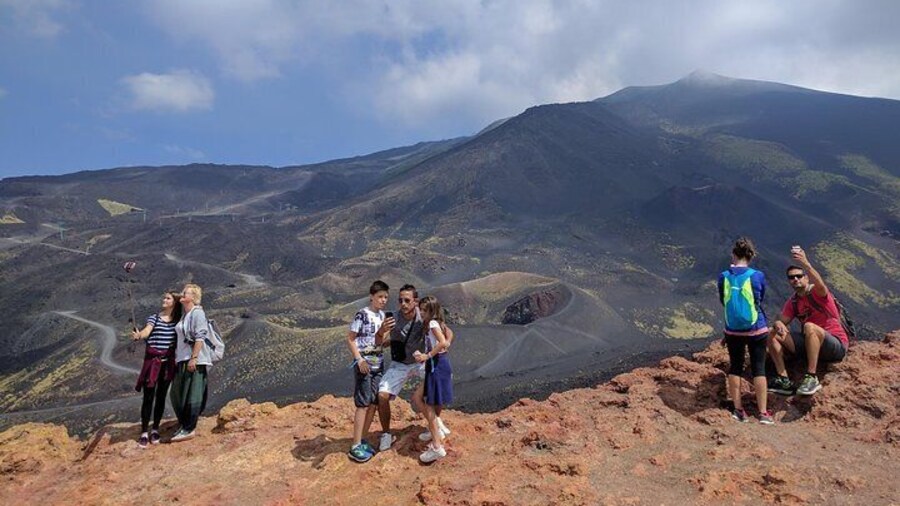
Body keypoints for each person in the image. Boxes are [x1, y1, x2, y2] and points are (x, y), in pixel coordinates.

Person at [376, 284, 454, 451]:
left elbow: (447, 332)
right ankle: (386, 434)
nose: (403, 304)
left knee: (434, 390)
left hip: (420, 362)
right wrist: (382, 332)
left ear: (415, 301)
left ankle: (434, 424)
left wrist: (446, 344)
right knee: (382, 395)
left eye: (407, 300)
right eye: (400, 300)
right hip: (400, 363)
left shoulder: (424, 316)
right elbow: (378, 343)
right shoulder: (393, 318)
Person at [767, 246, 849, 396]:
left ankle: (811, 377)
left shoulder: (818, 293)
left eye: (799, 275)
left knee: (810, 326)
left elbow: (821, 284)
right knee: (770, 333)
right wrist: (778, 324)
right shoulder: (793, 302)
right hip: (809, 344)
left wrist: (806, 264)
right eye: (791, 277)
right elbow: (781, 320)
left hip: (835, 345)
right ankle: (784, 380)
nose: (795, 279)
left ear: (806, 277)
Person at [717, 237, 773, 424]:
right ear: (751, 256)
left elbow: (723, 300)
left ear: (733, 255)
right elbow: (760, 298)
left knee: (735, 367)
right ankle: (763, 413)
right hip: (756, 328)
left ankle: (738, 410)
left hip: (732, 330)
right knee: (759, 369)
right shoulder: (757, 276)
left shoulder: (724, 276)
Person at [346, 280, 393, 463]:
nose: (383, 300)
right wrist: (359, 359)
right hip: (364, 363)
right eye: (380, 296)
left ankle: (363, 439)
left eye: (386, 297)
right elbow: (351, 339)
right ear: (371, 297)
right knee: (363, 403)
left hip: (377, 363)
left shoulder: (382, 316)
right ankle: (355, 445)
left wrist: (389, 334)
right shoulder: (362, 315)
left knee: (373, 402)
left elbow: (378, 342)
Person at [132, 291, 183, 448]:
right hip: (153, 364)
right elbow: (147, 331)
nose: (164, 300)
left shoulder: (177, 321)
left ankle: (155, 429)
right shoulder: (154, 318)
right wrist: (139, 335)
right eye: (164, 297)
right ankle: (144, 432)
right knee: (148, 397)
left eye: (168, 298)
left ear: (174, 303)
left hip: (167, 365)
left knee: (161, 397)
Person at [169, 283, 212, 442]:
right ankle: (184, 424)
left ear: (193, 297)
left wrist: (194, 358)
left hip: (193, 359)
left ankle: (189, 428)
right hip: (182, 358)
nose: (182, 295)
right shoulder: (185, 314)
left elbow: (200, 336)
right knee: (178, 393)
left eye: (185, 293)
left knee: (191, 393)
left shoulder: (197, 314)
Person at [414, 296, 453, 463]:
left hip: (436, 364)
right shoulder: (438, 323)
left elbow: (442, 342)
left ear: (432, 311)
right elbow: (449, 337)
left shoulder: (432, 324)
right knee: (426, 399)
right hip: (439, 363)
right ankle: (435, 430)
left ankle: (437, 447)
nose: (421, 313)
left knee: (428, 403)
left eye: (425, 310)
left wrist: (426, 355)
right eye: (421, 309)